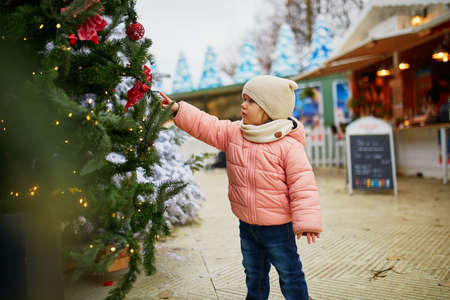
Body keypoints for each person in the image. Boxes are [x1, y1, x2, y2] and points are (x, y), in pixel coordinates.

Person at [159, 75, 322, 300]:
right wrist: (178, 110)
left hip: (278, 227)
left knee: (289, 273)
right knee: (254, 273)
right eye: (243, 99)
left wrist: (308, 222)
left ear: (269, 108)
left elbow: (302, 185)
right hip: (247, 224)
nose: (243, 105)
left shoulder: (288, 146)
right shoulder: (236, 133)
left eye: (251, 101)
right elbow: (207, 125)